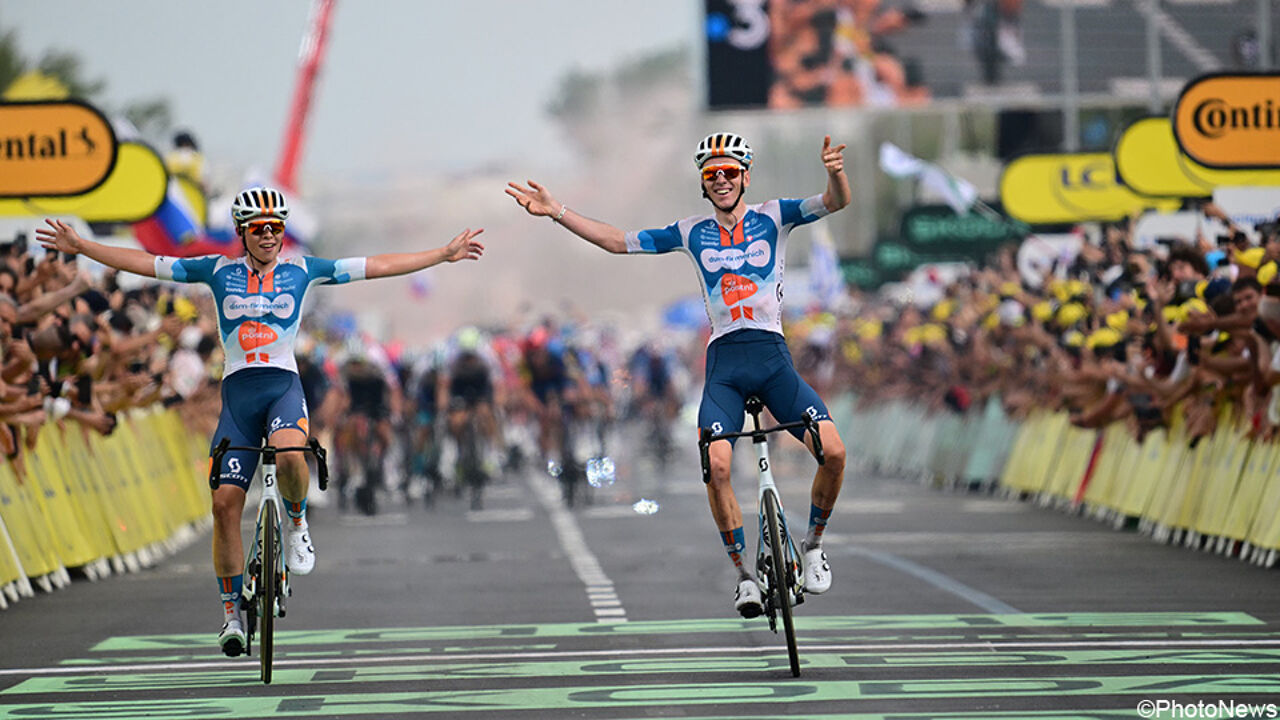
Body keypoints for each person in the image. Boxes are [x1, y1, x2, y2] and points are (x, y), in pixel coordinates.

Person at [37, 187, 484, 657]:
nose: (270, 235)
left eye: (277, 227)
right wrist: (84, 247)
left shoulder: (301, 270)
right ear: (242, 232)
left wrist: (441, 255)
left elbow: (375, 265)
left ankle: (295, 523)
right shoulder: (216, 270)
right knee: (225, 506)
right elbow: (149, 262)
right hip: (238, 397)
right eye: (259, 228)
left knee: (293, 453)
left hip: (282, 389)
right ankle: (231, 614)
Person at [507, 132, 850, 617]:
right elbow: (617, 241)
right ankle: (744, 577)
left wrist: (835, 171)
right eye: (712, 174)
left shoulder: (776, 215)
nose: (723, 180)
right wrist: (557, 210)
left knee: (833, 451)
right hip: (725, 366)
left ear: (745, 176)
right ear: (703, 184)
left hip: (773, 360)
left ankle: (814, 546)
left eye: (730, 172)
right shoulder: (690, 231)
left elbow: (837, 201)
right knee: (719, 467)